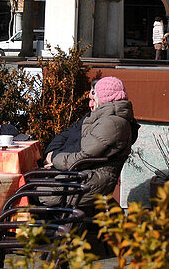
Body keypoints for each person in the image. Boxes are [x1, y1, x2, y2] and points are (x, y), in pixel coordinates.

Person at [49, 76, 139, 205]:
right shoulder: (113, 120)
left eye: (95, 96)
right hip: (88, 180)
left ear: (103, 97)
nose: (91, 103)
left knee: (26, 187)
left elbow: (82, 158)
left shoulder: (110, 123)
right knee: (30, 182)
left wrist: (54, 158)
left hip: (85, 185)